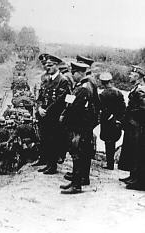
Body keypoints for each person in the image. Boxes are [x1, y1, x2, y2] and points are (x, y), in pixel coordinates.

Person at [59, 62, 99, 194]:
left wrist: (65, 119)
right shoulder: (80, 86)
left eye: (74, 72)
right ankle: (76, 180)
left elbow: (76, 109)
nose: (72, 75)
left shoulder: (84, 88)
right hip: (80, 126)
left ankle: (76, 185)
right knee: (78, 154)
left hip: (79, 127)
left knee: (77, 154)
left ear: (80, 73)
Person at [35, 55, 71, 174]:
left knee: (53, 141)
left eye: (50, 65)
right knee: (45, 140)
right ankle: (48, 164)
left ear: (57, 66)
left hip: (53, 116)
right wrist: (39, 108)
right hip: (44, 115)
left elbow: (60, 100)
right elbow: (40, 97)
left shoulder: (63, 80)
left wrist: (47, 111)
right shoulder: (47, 79)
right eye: (46, 65)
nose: (47, 67)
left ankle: (52, 166)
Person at [118, 65, 145, 190]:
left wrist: (132, 116)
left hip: (137, 125)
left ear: (138, 76)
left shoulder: (141, 90)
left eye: (132, 74)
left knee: (138, 152)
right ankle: (133, 176)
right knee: (132, 151)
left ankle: (138, 180)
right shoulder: (136, 88)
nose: (129, 76)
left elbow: (142, 109)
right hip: (133, 124)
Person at [99, 72, 125, 170]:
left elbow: (100, 108)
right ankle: (111, 163)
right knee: (112, 142)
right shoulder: (119, 92)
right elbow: (123, 108)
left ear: (102, 82)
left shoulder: (102, 94)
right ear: (110, 81)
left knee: (107, 142)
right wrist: (118, 119)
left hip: (106, 122)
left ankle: (109, 164)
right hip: (116, 122)